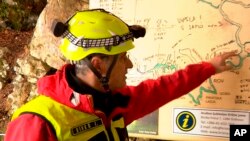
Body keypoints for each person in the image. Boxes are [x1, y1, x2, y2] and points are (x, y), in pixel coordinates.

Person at [4, 9, 237, 141]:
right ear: (99, 65)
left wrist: (210, 67)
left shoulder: (115, 103)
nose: (130, 65)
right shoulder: (36, 123)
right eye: (123, 57)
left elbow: (166, 87)